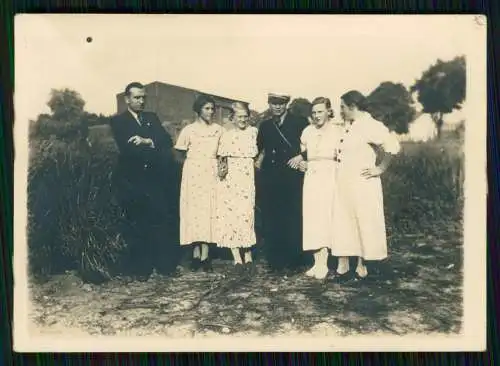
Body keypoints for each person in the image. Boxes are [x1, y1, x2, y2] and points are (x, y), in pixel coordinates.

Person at [110, 82, 179, 280]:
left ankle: (164, 266)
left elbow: (166, 141)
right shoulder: (118, 122)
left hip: (156, 181)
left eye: (143, 98)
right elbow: (128, 149)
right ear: (127, 99)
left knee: (159, 222)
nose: (140, 101)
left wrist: (147, 141)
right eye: (137, 97)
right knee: (138, 225)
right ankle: (141, 269)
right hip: (134, 182)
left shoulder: (151, 118)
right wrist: (152, 145)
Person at [331, 90, 401, 282]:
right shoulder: (349, 126)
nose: (341, 111)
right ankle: (344, 267)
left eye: (343, 107)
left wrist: (381, 168)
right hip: (344, 183)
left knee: (364, 222)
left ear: (353, 107)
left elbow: (392, 145)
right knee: (345, 222)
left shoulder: (371, 125)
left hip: (363, 184)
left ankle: (364, 266)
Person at [256, 92, 309, 273]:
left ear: (287, 104)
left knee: (292, 217)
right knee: (271, 217)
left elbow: (314, 143)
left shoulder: (300, 122)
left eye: (281, 103)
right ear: (269, 104)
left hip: (292, 176)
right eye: (274, 103)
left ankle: (294, 259)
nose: (277, 107)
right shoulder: (265, 126)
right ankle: (275, 259)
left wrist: (302, 156)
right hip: (270, 178)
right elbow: (258, 149)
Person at [291, 97, 343, 280]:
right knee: (312, 217)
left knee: (326, 217)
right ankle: (316, 262)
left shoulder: (338, 131)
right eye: (313, 113)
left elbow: (344, 155)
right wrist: (302, 163)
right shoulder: (307, 131)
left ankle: (325, 263)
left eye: (320, 111)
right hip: (312, 175)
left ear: (329, 111)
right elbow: (304, 154)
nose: (316, 116)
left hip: (330, 175)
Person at [174, 95, 222, 272]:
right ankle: (195, 254)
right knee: (194, 211)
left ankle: (206, 255)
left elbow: (223, 154)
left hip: (211, 171)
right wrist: (191, 167)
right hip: (193, 174)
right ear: (198, 110)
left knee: (208, 210)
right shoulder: (189, 130)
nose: (210, 112)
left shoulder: (218, 130)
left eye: (212, 109)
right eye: (206, 109)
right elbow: (179, 153)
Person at [215, 102, 258, 272]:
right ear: (233, 118)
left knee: (247, 213)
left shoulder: (253, 132)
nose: (242, 119)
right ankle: (236, 256)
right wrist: (222, 174)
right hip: (232, 177)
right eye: (239, 116)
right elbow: (222, 158)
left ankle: (248, 253)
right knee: (232, 213)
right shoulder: (227, 135)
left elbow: (258, 154)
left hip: (247, 175)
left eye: (245, 116)